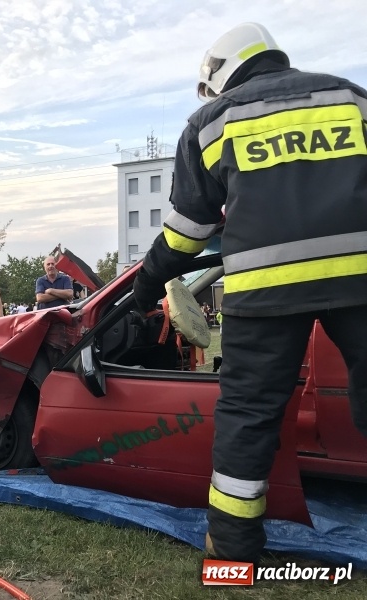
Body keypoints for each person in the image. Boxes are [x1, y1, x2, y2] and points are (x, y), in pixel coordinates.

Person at [131, 22, 367, 564]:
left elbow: (186, 233)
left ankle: (232, 556)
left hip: (264, 295)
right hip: (359, 283)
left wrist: (144, 288)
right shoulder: (348, 96)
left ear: (217, 75)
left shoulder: (211, 122)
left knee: (248, 418)